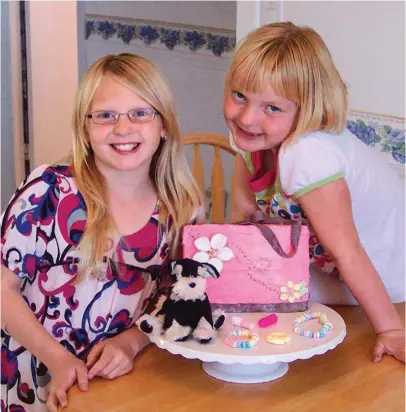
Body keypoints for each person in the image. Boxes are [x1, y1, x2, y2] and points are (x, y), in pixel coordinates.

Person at [1, 53, 203, 412]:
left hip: (117, 384)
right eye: (106, 115)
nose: (123, 128)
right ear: (85, 128)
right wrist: (58, 359)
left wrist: (131, 341)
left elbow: (177, 298)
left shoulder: (181, 210)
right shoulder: (46, 192)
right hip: (31, 377)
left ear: (165, 125)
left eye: (141, 113)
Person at [225, 23, 405, 363]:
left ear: (306, 109)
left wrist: (391, 331)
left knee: (241, 289)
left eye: (272, 108)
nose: (247, 117)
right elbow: (245, 222)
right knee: (231, 279)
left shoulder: (307, 154)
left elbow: (349, 251)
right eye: (239, 96)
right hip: (333, 267)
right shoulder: (252, 138)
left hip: (384, 276)